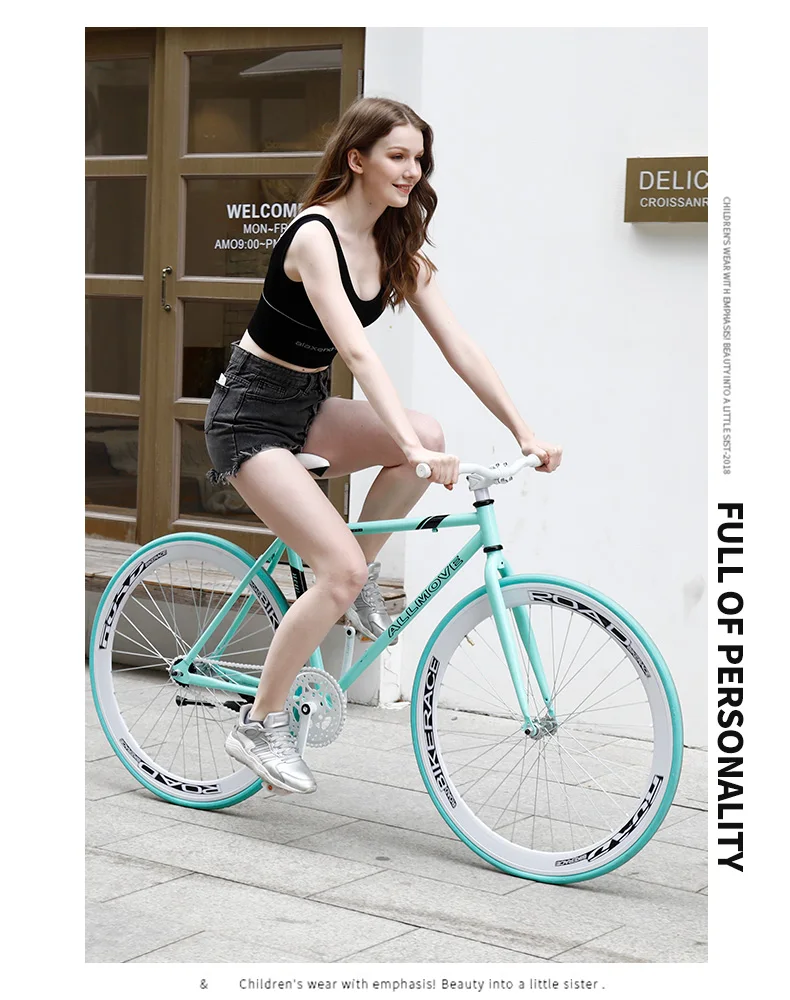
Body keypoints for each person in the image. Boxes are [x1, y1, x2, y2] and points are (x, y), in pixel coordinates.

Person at [204, 97, 562, 794]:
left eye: (418, 158)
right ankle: (259, 722)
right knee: (338, 563)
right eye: (397, 155)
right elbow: (359, 354)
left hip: (306, 407)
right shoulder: (314, 236)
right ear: (357, 158)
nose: (411, 170)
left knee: (426, 435)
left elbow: (460, 347)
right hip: (249, 416)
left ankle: (356, 576)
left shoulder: (396, 247)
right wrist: (410, 450)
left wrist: (523, 430)